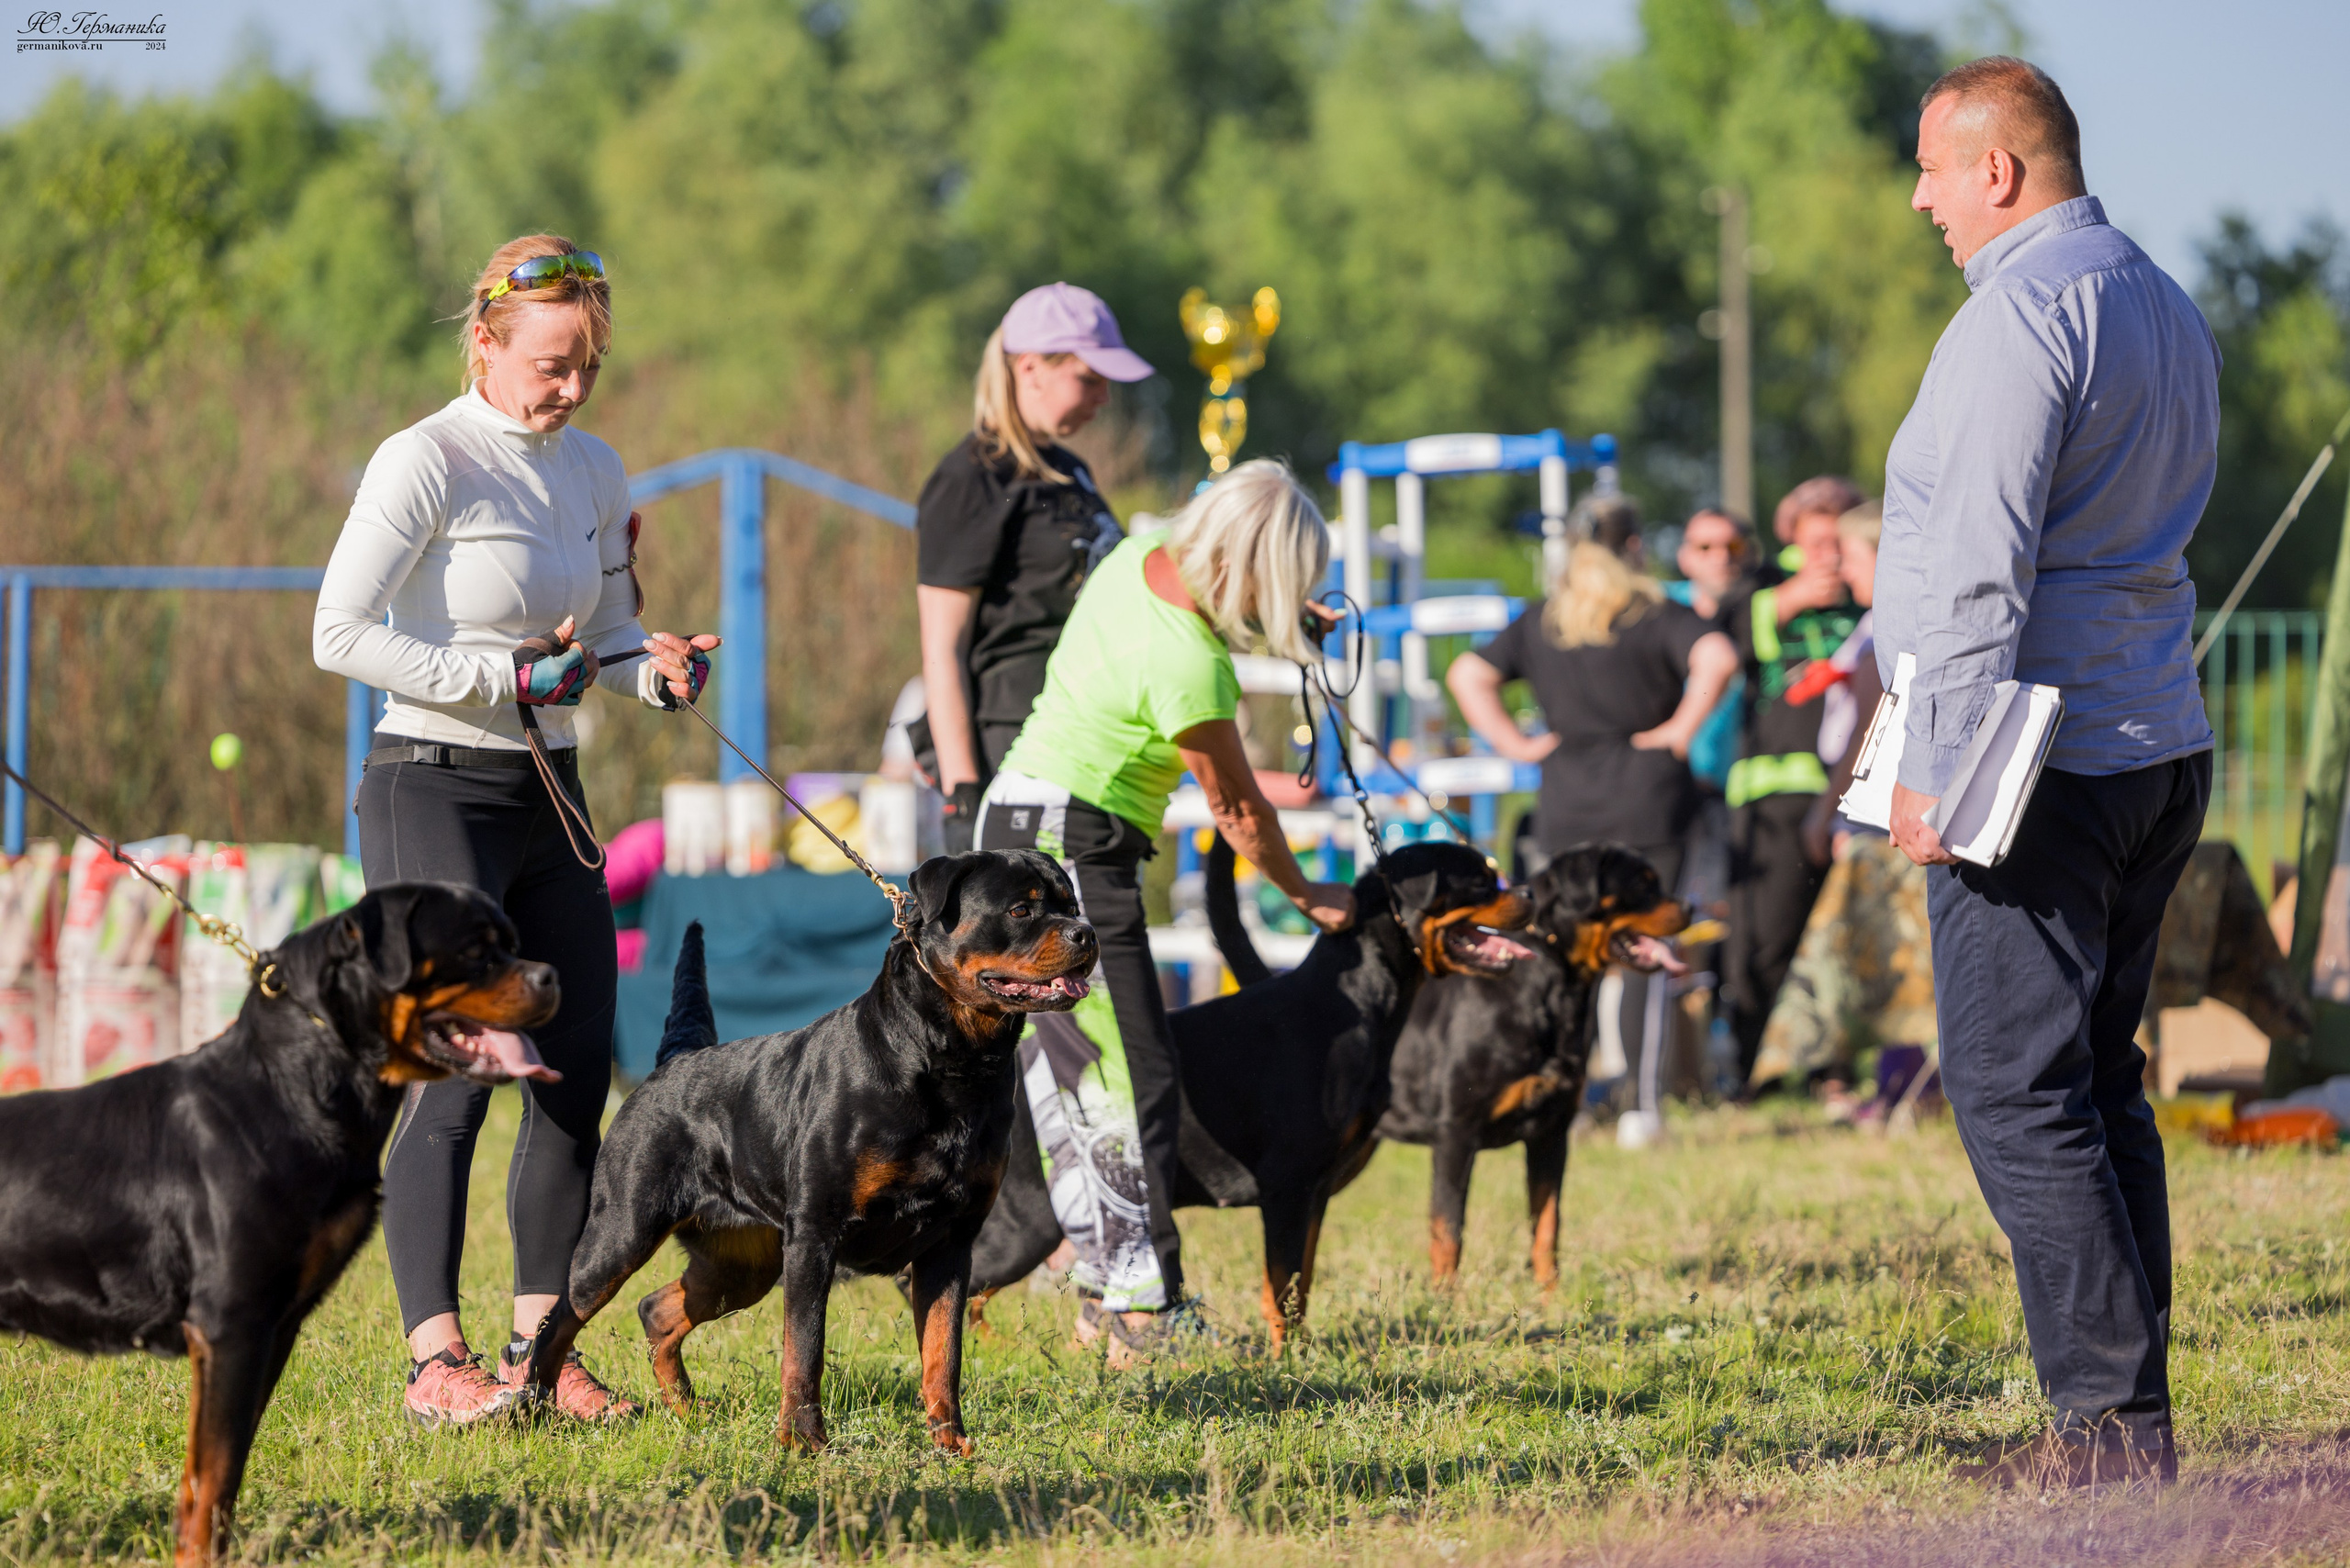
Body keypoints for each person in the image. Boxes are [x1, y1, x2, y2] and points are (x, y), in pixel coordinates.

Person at [314, 234, 721, 1428]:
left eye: (589, 365)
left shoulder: (594, 467)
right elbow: (339, 632)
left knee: (572, 1073)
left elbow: (605, 640)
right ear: (485, 345)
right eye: (551, 365)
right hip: (431, 784)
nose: (573, 388)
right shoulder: (423, 459)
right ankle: (433, 1362)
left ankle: (541, 1351)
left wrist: (656, 674)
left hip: (552, 792)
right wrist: (501, 677)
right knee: (462, 1064)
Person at [1881, 57, 2217, 1484]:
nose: (1923, 199)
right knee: (2096, 1082)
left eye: (1933, 170)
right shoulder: (2162, 299)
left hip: (2036, 758)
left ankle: (2109, 1435)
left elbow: (1980, 568)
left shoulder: (2018, 315)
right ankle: (2130, 1414)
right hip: (2154, 736)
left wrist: (1936, 766)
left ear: (1999, 170)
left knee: (2018, 1093)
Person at [977, 459, 1355, 1361]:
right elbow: (1237, 810)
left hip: (1021, 818)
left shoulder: (1136, 556)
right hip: (1069, 848)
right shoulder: (1191, 662)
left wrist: (1285, 623)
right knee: (1129, 1074)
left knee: (1083, 1072)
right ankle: (1143, 1312)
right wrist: (1307, 893)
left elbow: (1194, 619)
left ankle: (1107, 1294)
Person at [1448, 537, 1738, 1140]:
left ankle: (1567, 1103)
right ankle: (1640, 1108)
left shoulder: (1543, 620)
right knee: (1645, 953)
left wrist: (1515, 744)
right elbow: (1718, 657)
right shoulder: (1657, 614)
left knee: (1564, 956)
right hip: (1649, 799)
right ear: (1634, 550)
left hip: (1568, 807)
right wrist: (1680, 729)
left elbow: (1466, 674)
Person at [915, 283, 1153, 851]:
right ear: (1030, 368)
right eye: (1089, 379)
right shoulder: (972, 477)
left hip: (1085, 743)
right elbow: (942, 649)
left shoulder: (1070, 472)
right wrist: (963, 792)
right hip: (1011, 752)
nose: (1104, 397)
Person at [1719, 476, 1864, 1080]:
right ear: (1791, 540)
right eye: (1816, 543)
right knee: (1766, 936)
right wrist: (1787, 600)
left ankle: (1835, 1072)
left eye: (1838, 542)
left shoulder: (1870, 584)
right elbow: (1718, 638)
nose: (1828, 556)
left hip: (1856, 791)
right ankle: (1758, 1070)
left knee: (1844, 936)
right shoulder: (1762, 582)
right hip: (1773, 789)